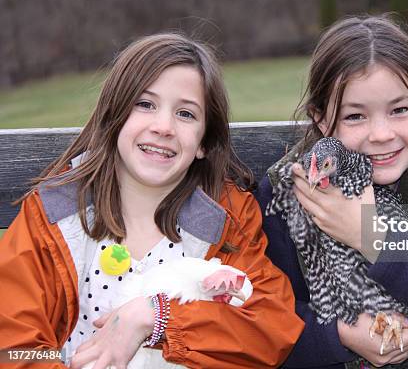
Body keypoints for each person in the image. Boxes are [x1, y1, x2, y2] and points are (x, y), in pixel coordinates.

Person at [0, 33, 304, 368]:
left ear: (204, 142)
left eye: (186, 114)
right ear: (114, 116)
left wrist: (157, 316)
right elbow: (12, 348)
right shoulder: (54, 215)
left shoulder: (227, 219)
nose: (163, 127)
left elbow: (270, 326)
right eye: (145, 104)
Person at [255, 15, 408, 368]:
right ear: (321, 119)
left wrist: (371, 235)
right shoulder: (286, 194)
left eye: (399, 110)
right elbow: (263, 318)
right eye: (356, 116)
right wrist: (340, 334)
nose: (381, 134)